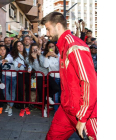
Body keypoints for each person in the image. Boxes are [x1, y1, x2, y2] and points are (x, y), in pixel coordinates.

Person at [41, 12, 97, 140]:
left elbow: (89, 82)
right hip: (67, 109)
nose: (48, 33)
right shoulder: (63, 46)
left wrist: (83, 117)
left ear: (58, 26)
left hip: (83, 112)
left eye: (48, 29)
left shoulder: (74, 46)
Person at [28, 43, 59, 117]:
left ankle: (48, 97)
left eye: (36, 49)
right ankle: (44, 109)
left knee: (56, 88)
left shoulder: (42, 55)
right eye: (33, 49)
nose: (35, 50)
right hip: (39, 76)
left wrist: (39, 55)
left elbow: (44, 65)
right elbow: (37, 68)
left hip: (47, 75)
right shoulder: (29, 58)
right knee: (41, 93)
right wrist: (35, 59)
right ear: (31, 50)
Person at [11, 41, 32, 117]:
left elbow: (30, 63)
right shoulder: (15, 56)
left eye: (21, 44)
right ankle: (22, 108)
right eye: (18, 45)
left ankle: (27, 106)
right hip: (20, 74)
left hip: (27, 74)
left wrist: (30, 68)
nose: (20, 46)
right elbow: (16, 69)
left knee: (28, 90)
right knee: (21, 91)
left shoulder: (28, 54)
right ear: (16, 48)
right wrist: (18, 66)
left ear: (23, 45)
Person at [43, 41, 61, 113]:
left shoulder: (59, 54)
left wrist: (56, 57)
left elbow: (61, 65)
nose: (51, 48)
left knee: (61, 96)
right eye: (49, 47)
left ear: (55, 47)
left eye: (52, 46)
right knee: (55, 97)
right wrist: (46, 56)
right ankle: (56, 113)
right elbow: (45, 66)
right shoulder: (47, 56)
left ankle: (60, 112)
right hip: (53, 77)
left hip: (61, 78)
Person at [0, 46, 17, 116]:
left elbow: (9, 59)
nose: (2, 51)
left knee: (12, 91)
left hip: (13, 76)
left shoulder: (9, 55)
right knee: (5, 91)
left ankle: (10, 107)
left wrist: (5, 60)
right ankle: (8, 103)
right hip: (4, 76)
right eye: (1, 50)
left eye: (4, 49)